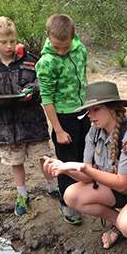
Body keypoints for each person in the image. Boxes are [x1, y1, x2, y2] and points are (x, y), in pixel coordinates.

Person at [44, 81, 127, 250]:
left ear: (113, 108)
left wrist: (83, 167)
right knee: (71, 195)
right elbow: (88, 178)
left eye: (96, 109)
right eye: (88, 110)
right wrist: (65, 168)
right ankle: (117, 222)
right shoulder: (94, 132)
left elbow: (122, 182)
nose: (90, 115)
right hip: (120, 190)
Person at [0, 16, 57, 217]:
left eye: (12, 41)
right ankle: (22, 194)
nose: (9, 46)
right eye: (3, 42)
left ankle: (53, 187)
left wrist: (33, 91)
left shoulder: (31, 61)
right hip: (6, 126)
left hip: (33, 120)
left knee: (44, 157)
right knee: (16, 162)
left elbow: (42, 82)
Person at [35, 14, 90, 225]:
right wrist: (57, 129)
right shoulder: (46, 62)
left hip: (84, 110)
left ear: (73, 37)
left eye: (65, 47)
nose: (61, 51)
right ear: (48, 37)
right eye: (56, 47)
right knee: (66, 161)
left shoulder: (80, 49)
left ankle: (85, 192)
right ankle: (66, 201)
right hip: (63, 118)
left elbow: (84, 77)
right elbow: (46, 98)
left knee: (85, 155)